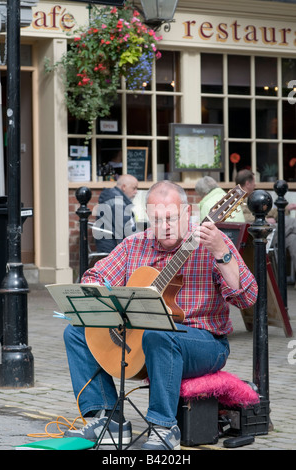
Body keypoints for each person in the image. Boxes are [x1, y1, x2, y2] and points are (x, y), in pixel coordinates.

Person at [63, 180, 258, 450]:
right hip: (146, 338)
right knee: (77, 329)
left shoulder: (212, 242)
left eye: (171, 218)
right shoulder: (135, 245)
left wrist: (222, 254)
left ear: (187, 214)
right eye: (156, 219)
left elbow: (246, 297)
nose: (164, 226)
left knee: (160, 332)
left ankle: (164, 426)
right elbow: (95, 276)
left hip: (205, 343)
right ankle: (105, 417)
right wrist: (99, 292)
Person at [93, 174, 138, 254]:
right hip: (113, 248)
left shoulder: (115, 199)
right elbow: (126, 230)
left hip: (111, 245)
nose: (136, 192)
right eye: (134, 188)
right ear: (124, 187)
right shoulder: (116, 202)